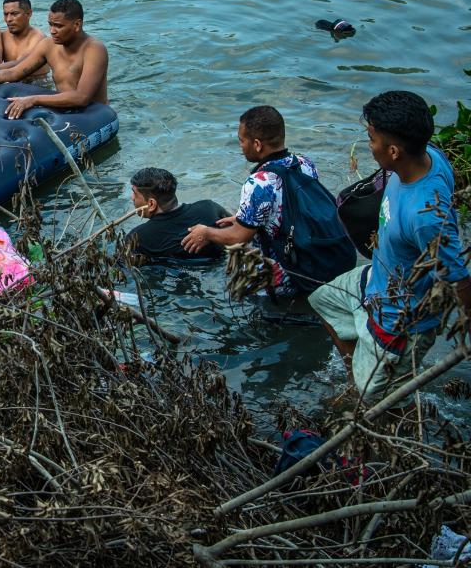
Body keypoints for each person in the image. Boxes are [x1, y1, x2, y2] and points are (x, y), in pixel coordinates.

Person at [309, 91, 470, 399]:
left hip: (398, 318)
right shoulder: (430, 155)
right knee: (322, 301)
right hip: (374, 279)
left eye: (371, 139)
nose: (368, 147)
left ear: (394, 151)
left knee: (377, 403)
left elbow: (458, 277)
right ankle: (357, 377)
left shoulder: (425, 217)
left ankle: (381, 401)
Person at [181, 106, 319, 297]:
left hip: (285, 272)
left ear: (257, 144)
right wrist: (241, 218)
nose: (240, 146)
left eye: (241, 140)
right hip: (310, 255)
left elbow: (239, 237)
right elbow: (287, 207)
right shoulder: (304, 164)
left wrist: (206, 233)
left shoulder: (258, 182)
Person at [0, 0, 109, 117]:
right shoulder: (49, 45)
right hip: (63, 109)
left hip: (94, 115)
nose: (52, 31)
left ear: (77, 24)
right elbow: (15, 72)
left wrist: (32, 100)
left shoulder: (94, 49)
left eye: (58, 26)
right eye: (50, 24)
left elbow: (81, 97)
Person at [125, 167, 230, 261]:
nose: (132, 197)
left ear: (151, 204)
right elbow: (238, 228)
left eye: (135, 193)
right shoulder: (209, 207)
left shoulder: (138, 237)